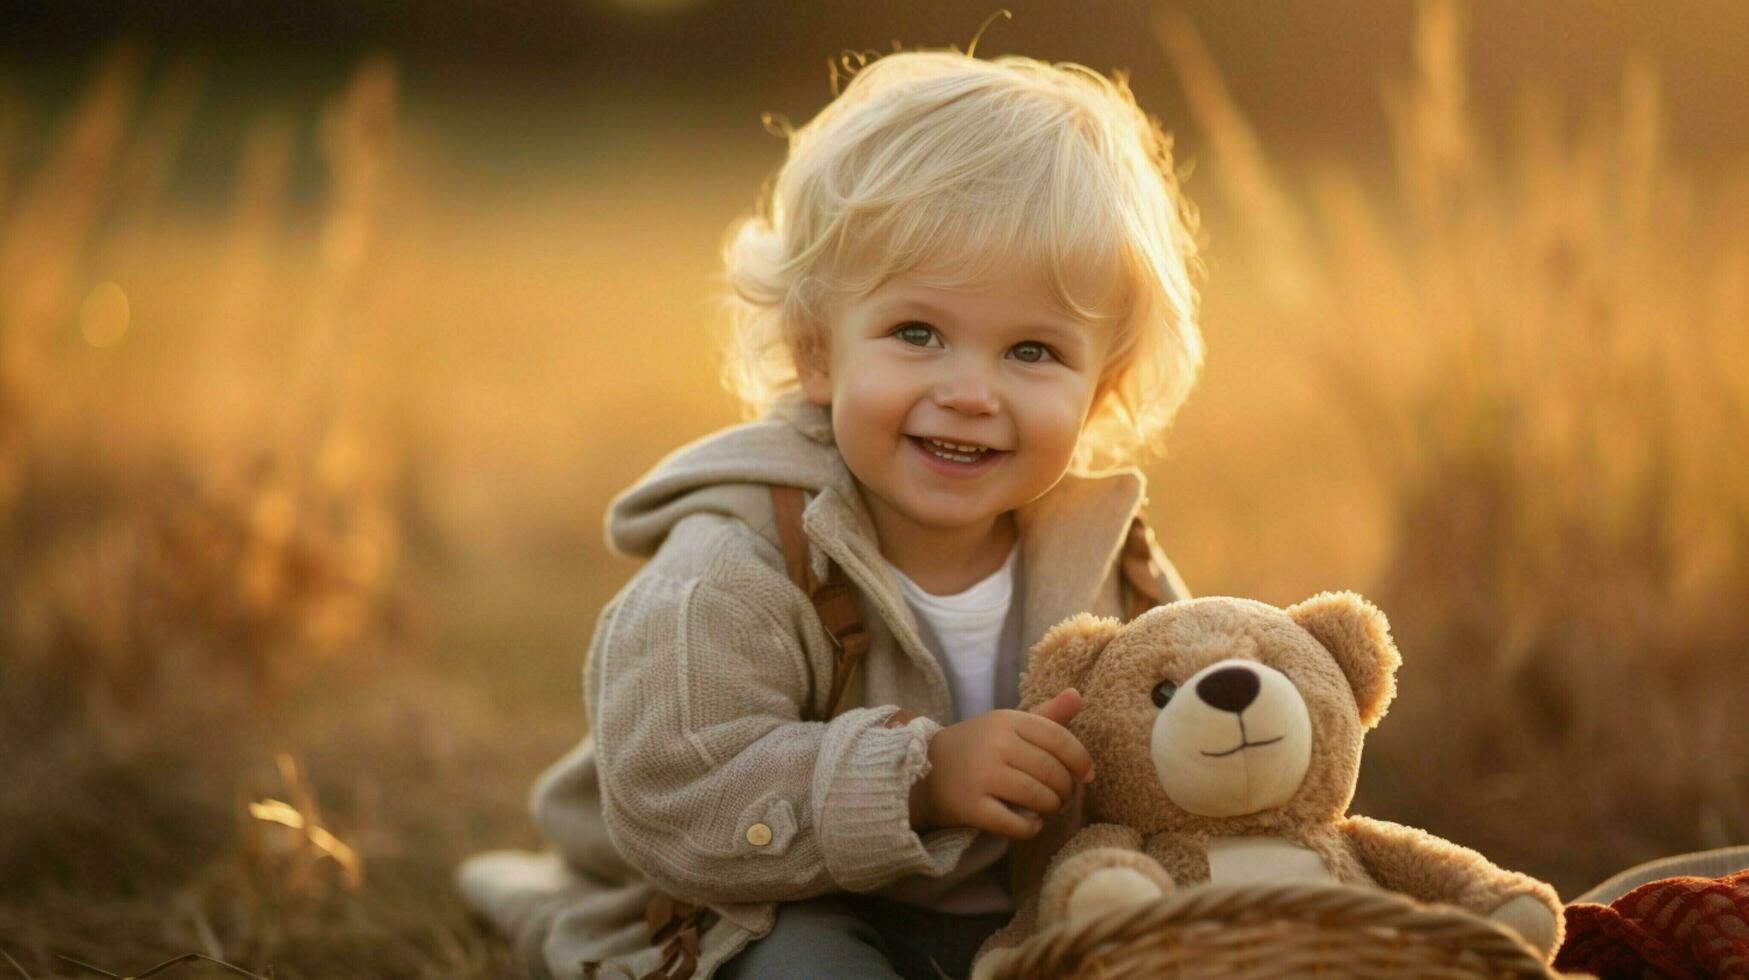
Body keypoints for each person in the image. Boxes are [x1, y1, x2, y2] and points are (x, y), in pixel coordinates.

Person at [457, 45, 1203, 980]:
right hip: (771, 905)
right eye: (917, 334)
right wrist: (921, 780)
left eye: (1032, 350)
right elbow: (672, 791)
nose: (970, 391)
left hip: (1027, 913)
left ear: (1101, 392)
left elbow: (1181, 741)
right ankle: (539, 896)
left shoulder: (1109, 559)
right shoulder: (734, 567)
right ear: (817, 353)